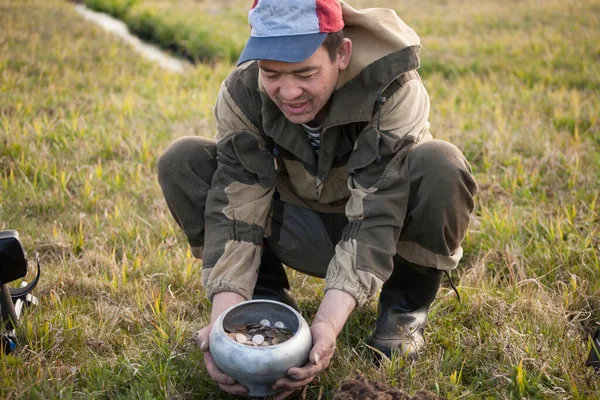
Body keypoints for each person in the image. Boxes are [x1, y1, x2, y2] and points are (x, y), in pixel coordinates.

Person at [157, 0, 478, 397]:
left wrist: (326, 324)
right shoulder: (242, 92)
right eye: (271, 73)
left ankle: (403, 311)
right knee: (183, 159)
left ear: (341, 53)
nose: (288, 92)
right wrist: (225, 320)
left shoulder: (393, 88)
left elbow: (376, 214)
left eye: (306, 73)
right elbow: (238, 204)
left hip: (384, 237)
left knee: (440, 162)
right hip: (298, 226)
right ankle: (265, 301)